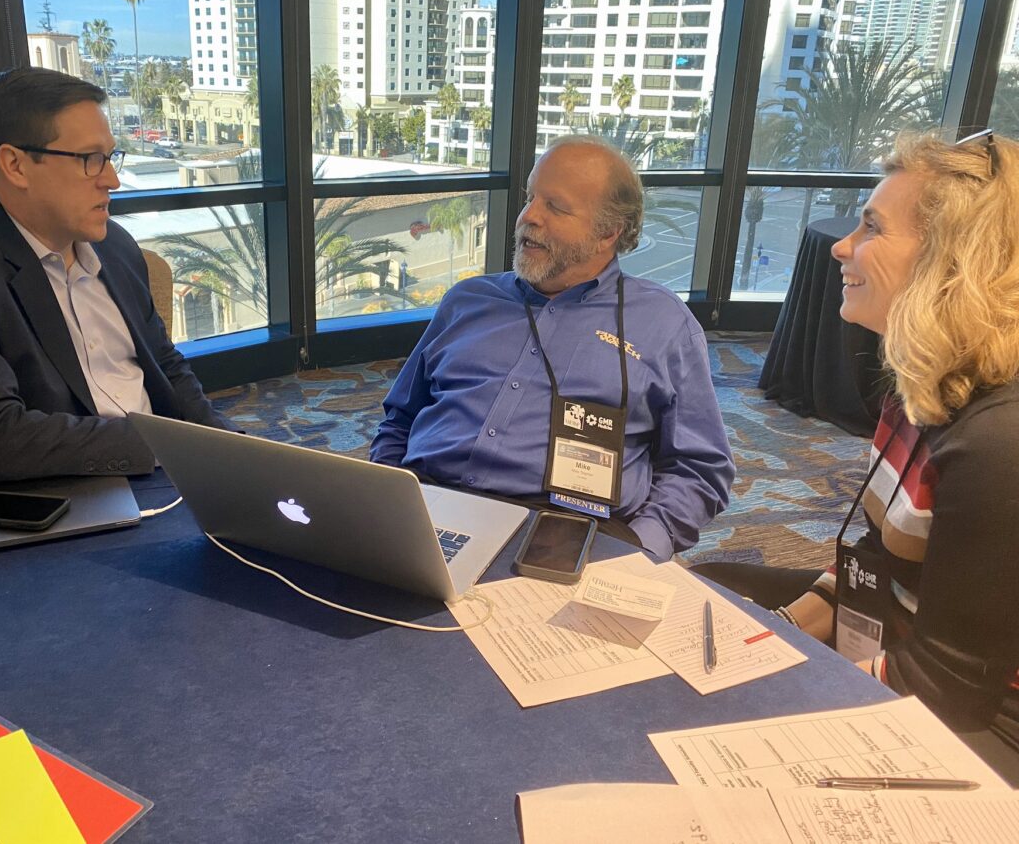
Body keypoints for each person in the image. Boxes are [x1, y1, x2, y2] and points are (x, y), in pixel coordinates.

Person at [694, 131, 1019, 781]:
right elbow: (871, 567)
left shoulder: (998, 443)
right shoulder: (924, 382)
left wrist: (769, 691)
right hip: (902, 636)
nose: (842, 246)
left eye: (872, 227)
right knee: (706, 594)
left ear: (950, 261)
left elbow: (946, 689)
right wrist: (775, 636)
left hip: (986, 723)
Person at [370, 136, 734, 560]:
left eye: (555, 207)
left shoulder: (664, 325)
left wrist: (640, 550)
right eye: (530, 198)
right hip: (428, 507)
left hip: (565, 532)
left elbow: (700, 469)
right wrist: (385, 498)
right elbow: (400, 418)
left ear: (608, 233)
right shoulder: (467, 301)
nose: (528, 217)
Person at [0, 67, 237, 485]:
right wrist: (168, 443)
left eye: (111, 157)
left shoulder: (116, 247)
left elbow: (165, 363)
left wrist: (227, 447)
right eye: (91, 160)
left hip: (167, 473)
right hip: (53, 504)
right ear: (15, 165)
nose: (111, 180)